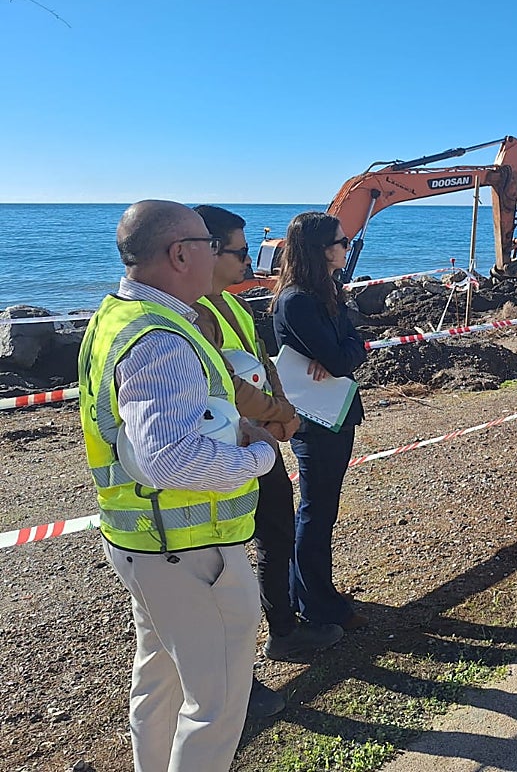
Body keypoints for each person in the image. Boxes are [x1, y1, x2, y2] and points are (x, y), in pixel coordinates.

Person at [78, 200, 278, 771]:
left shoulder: (115, 316)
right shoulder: (163, 339)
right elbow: (169, 461)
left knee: (157, 680)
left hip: (143, 542)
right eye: (211, 245)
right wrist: (259, 453)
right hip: (191, 549)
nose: (218, 255)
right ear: (180, 253)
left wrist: (230, 426)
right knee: (213, 705)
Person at [194, 206, 344, 708]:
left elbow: (263, 363)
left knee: (275, 536)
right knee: (226, 567)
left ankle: (284, 629)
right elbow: (224, 382)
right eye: (240, 250)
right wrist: (281, 417)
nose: (247, 260)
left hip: (259, 442)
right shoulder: (191, 313)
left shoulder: (233, 306)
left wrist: (280, 414)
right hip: (226, 450)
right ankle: (237, 680)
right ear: (205, 249)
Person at [270, 212, 368, 631]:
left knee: (322, 509)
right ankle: (315, 602)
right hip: (316, 419)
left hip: (335, 411)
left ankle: (309, 592)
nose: (347, 249)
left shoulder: (326, 291)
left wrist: (343, 352)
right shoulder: (297, 300)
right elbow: (343, 356)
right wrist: (341, 354)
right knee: (315, 510)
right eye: (342, 242)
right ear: (320, 249)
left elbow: (352, 346)